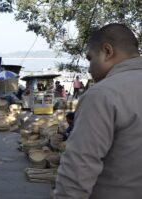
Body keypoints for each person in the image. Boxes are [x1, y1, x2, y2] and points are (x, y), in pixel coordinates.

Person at [54, 23, 142, 198]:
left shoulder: (103, 94)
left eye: (90, 58)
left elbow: (78, 170)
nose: (89, 68)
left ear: (107, 51)